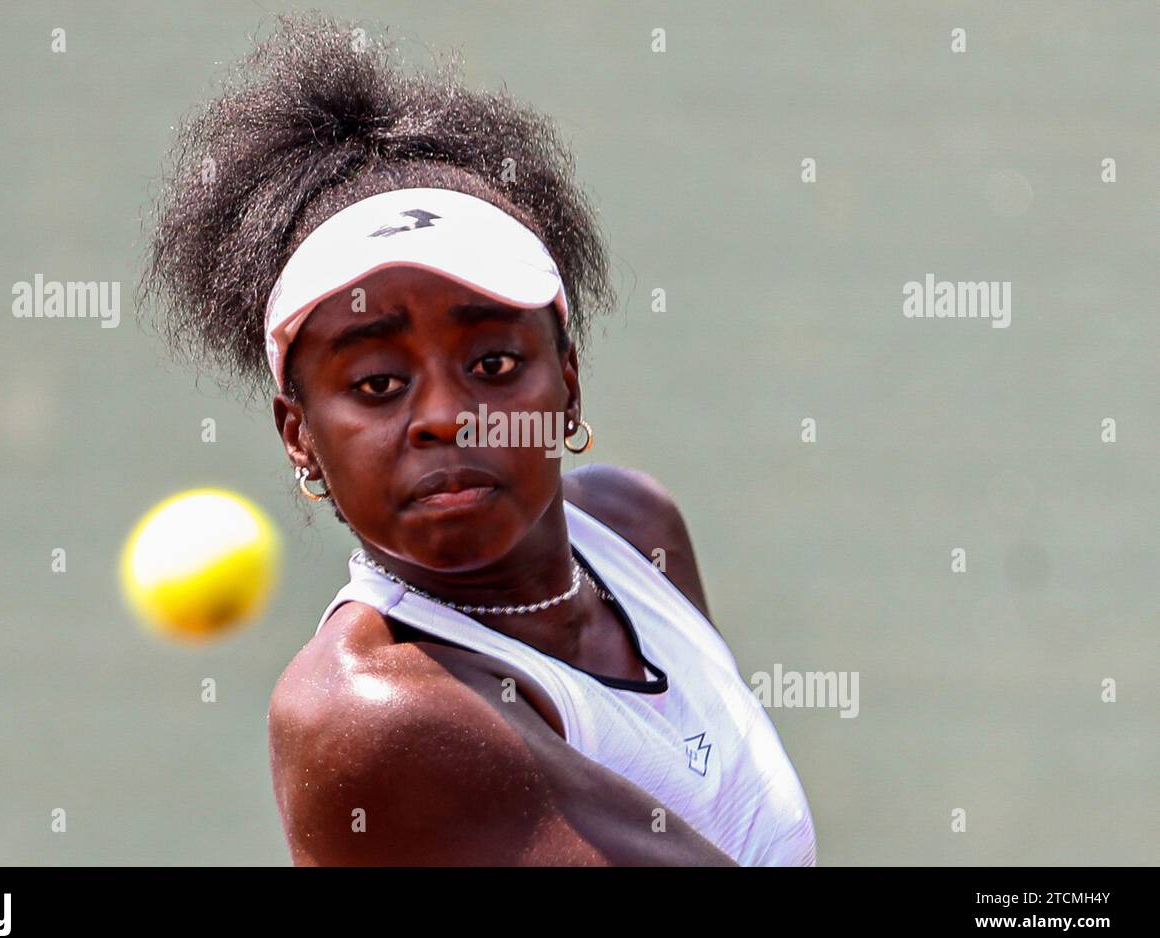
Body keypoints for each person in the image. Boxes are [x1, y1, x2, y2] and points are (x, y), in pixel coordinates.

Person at [142, 12, 816, 866]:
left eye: (494, 361)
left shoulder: (634, 530)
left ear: (566, 383)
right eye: (379, 384)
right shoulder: (370, 713)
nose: (445, 415)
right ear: (299, 437)